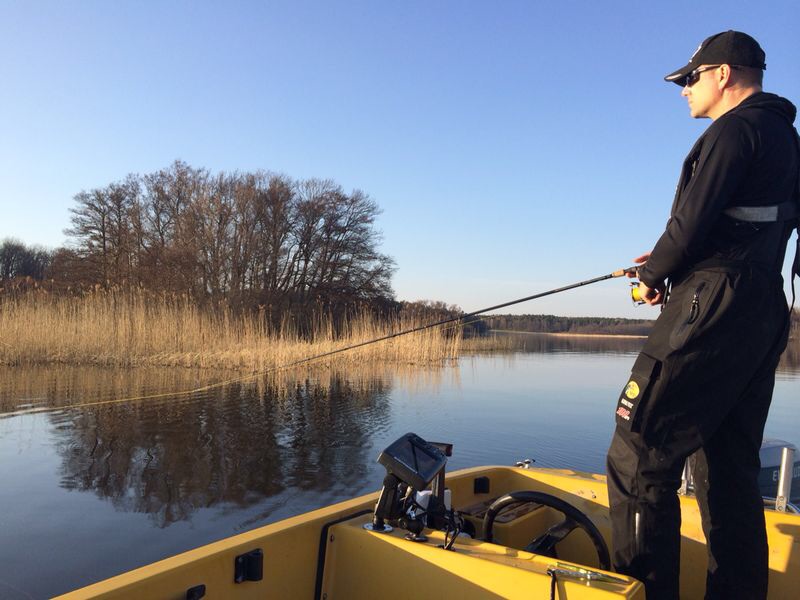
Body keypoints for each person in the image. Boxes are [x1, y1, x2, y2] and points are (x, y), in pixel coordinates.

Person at [606, 30, 799, 600]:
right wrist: (675, 263)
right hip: (763, 308)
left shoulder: (734, 130)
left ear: (724, 75)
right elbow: (747, 223)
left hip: (713, 305)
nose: (684, 89)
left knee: (637, 455)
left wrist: (653, 275)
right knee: (729, 468)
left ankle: (645, 591)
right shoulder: (787, 138)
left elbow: (689, 224)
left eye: (690, 78)